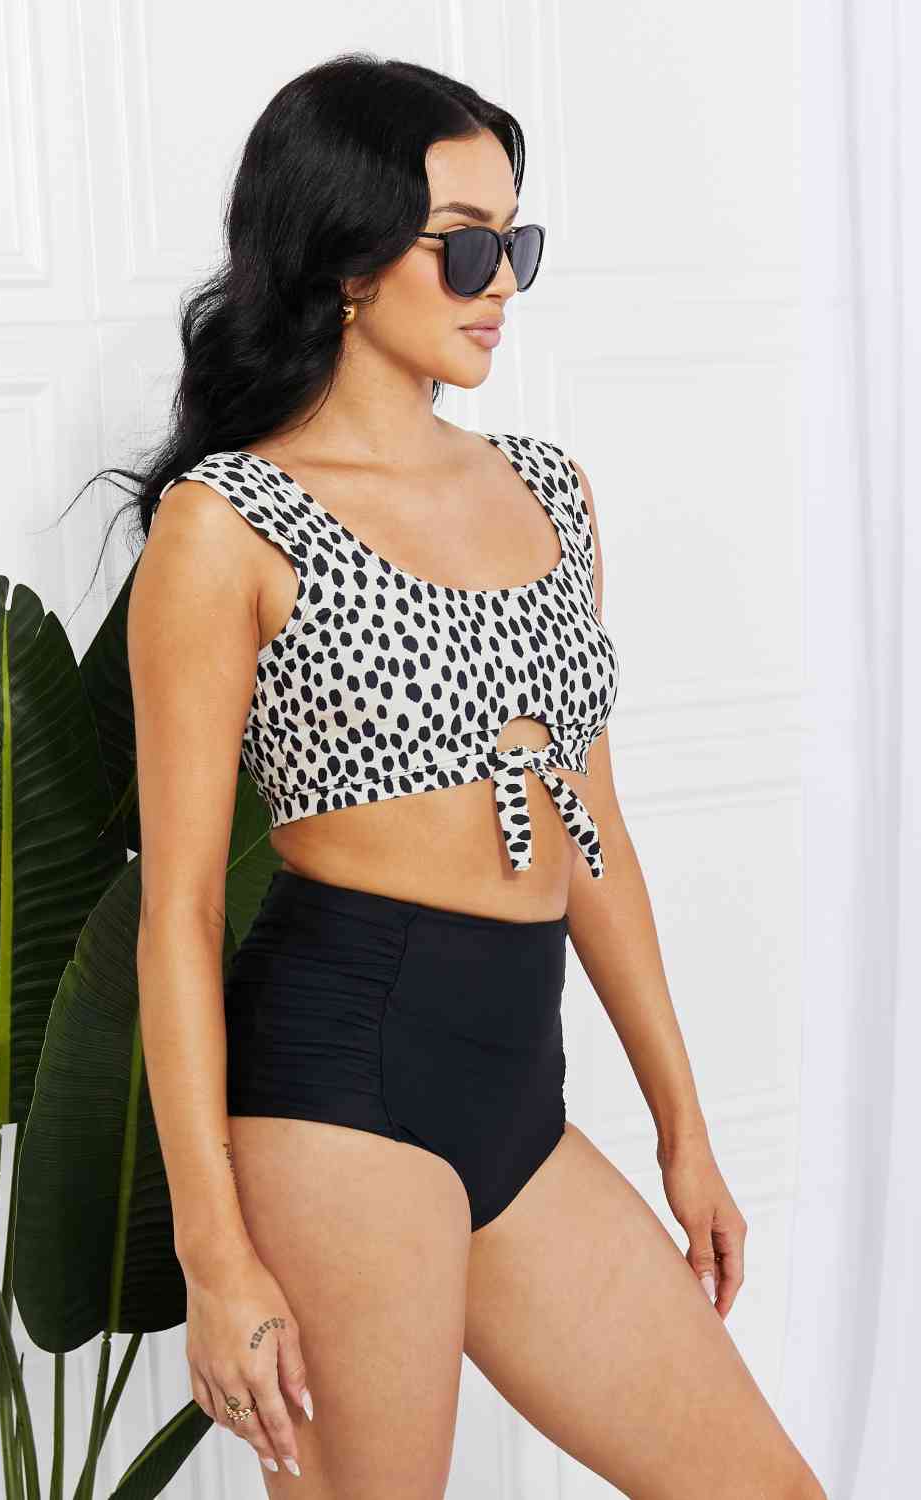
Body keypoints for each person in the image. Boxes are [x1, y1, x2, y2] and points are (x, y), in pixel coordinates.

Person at [127, 52, 825, 1500]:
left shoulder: (549, 488)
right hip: (341, 1084)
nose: (501, 282)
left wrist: (685, 1128)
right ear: (346, 262)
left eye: (517, 243)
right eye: (464, 247)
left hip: (519, 1084)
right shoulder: (228, 525)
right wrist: (215, 1251)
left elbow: (595, 830)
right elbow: (179, 911)